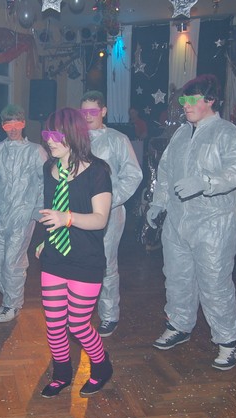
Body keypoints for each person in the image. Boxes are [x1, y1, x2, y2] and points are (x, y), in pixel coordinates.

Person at [146, 74, 236, 371]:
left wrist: (205, 182)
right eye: (183, 100)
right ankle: (179, 325)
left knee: (214, 281)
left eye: (192, 100)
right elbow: (165, 171)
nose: (185, 105)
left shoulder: (227, 133)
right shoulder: (181, 134)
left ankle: (228, 340)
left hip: (215, 222)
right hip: (178, 220)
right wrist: (158, 202)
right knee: (177, 276)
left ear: (211, 100)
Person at [36, 108, 113, 398]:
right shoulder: (49, 169)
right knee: (54, 325)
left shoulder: (97, 171)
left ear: (73, 134)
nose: (49, 140)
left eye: (56, 135)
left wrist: (66, 218)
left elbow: (100, 219)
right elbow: (51, 210)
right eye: (47, 134)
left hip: (85, 260)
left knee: (78, 325)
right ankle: (62, 374)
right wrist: (46, 239)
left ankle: (102, 366)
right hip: (55, 257)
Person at [80, 91, 143, 337]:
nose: (87, 116)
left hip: (110, 213)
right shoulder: (76, 139)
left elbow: (133, 174)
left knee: (105, 263)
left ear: (103, 111)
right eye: (84, 112)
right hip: (79, 212)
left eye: (93, 111)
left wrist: (109, 201)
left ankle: (108, 315)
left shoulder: (117, 139)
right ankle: (81, 313)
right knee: (81, 262)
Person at [0, 104, 47, 323]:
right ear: (2, 126)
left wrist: (37, 209)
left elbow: (44, 182)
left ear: (23, 124)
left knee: (13, 260)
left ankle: (13, 304)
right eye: (7, 124)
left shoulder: (35, 151)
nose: (12, 129)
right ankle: (8, 298)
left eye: (16, 123)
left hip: (23, 214)